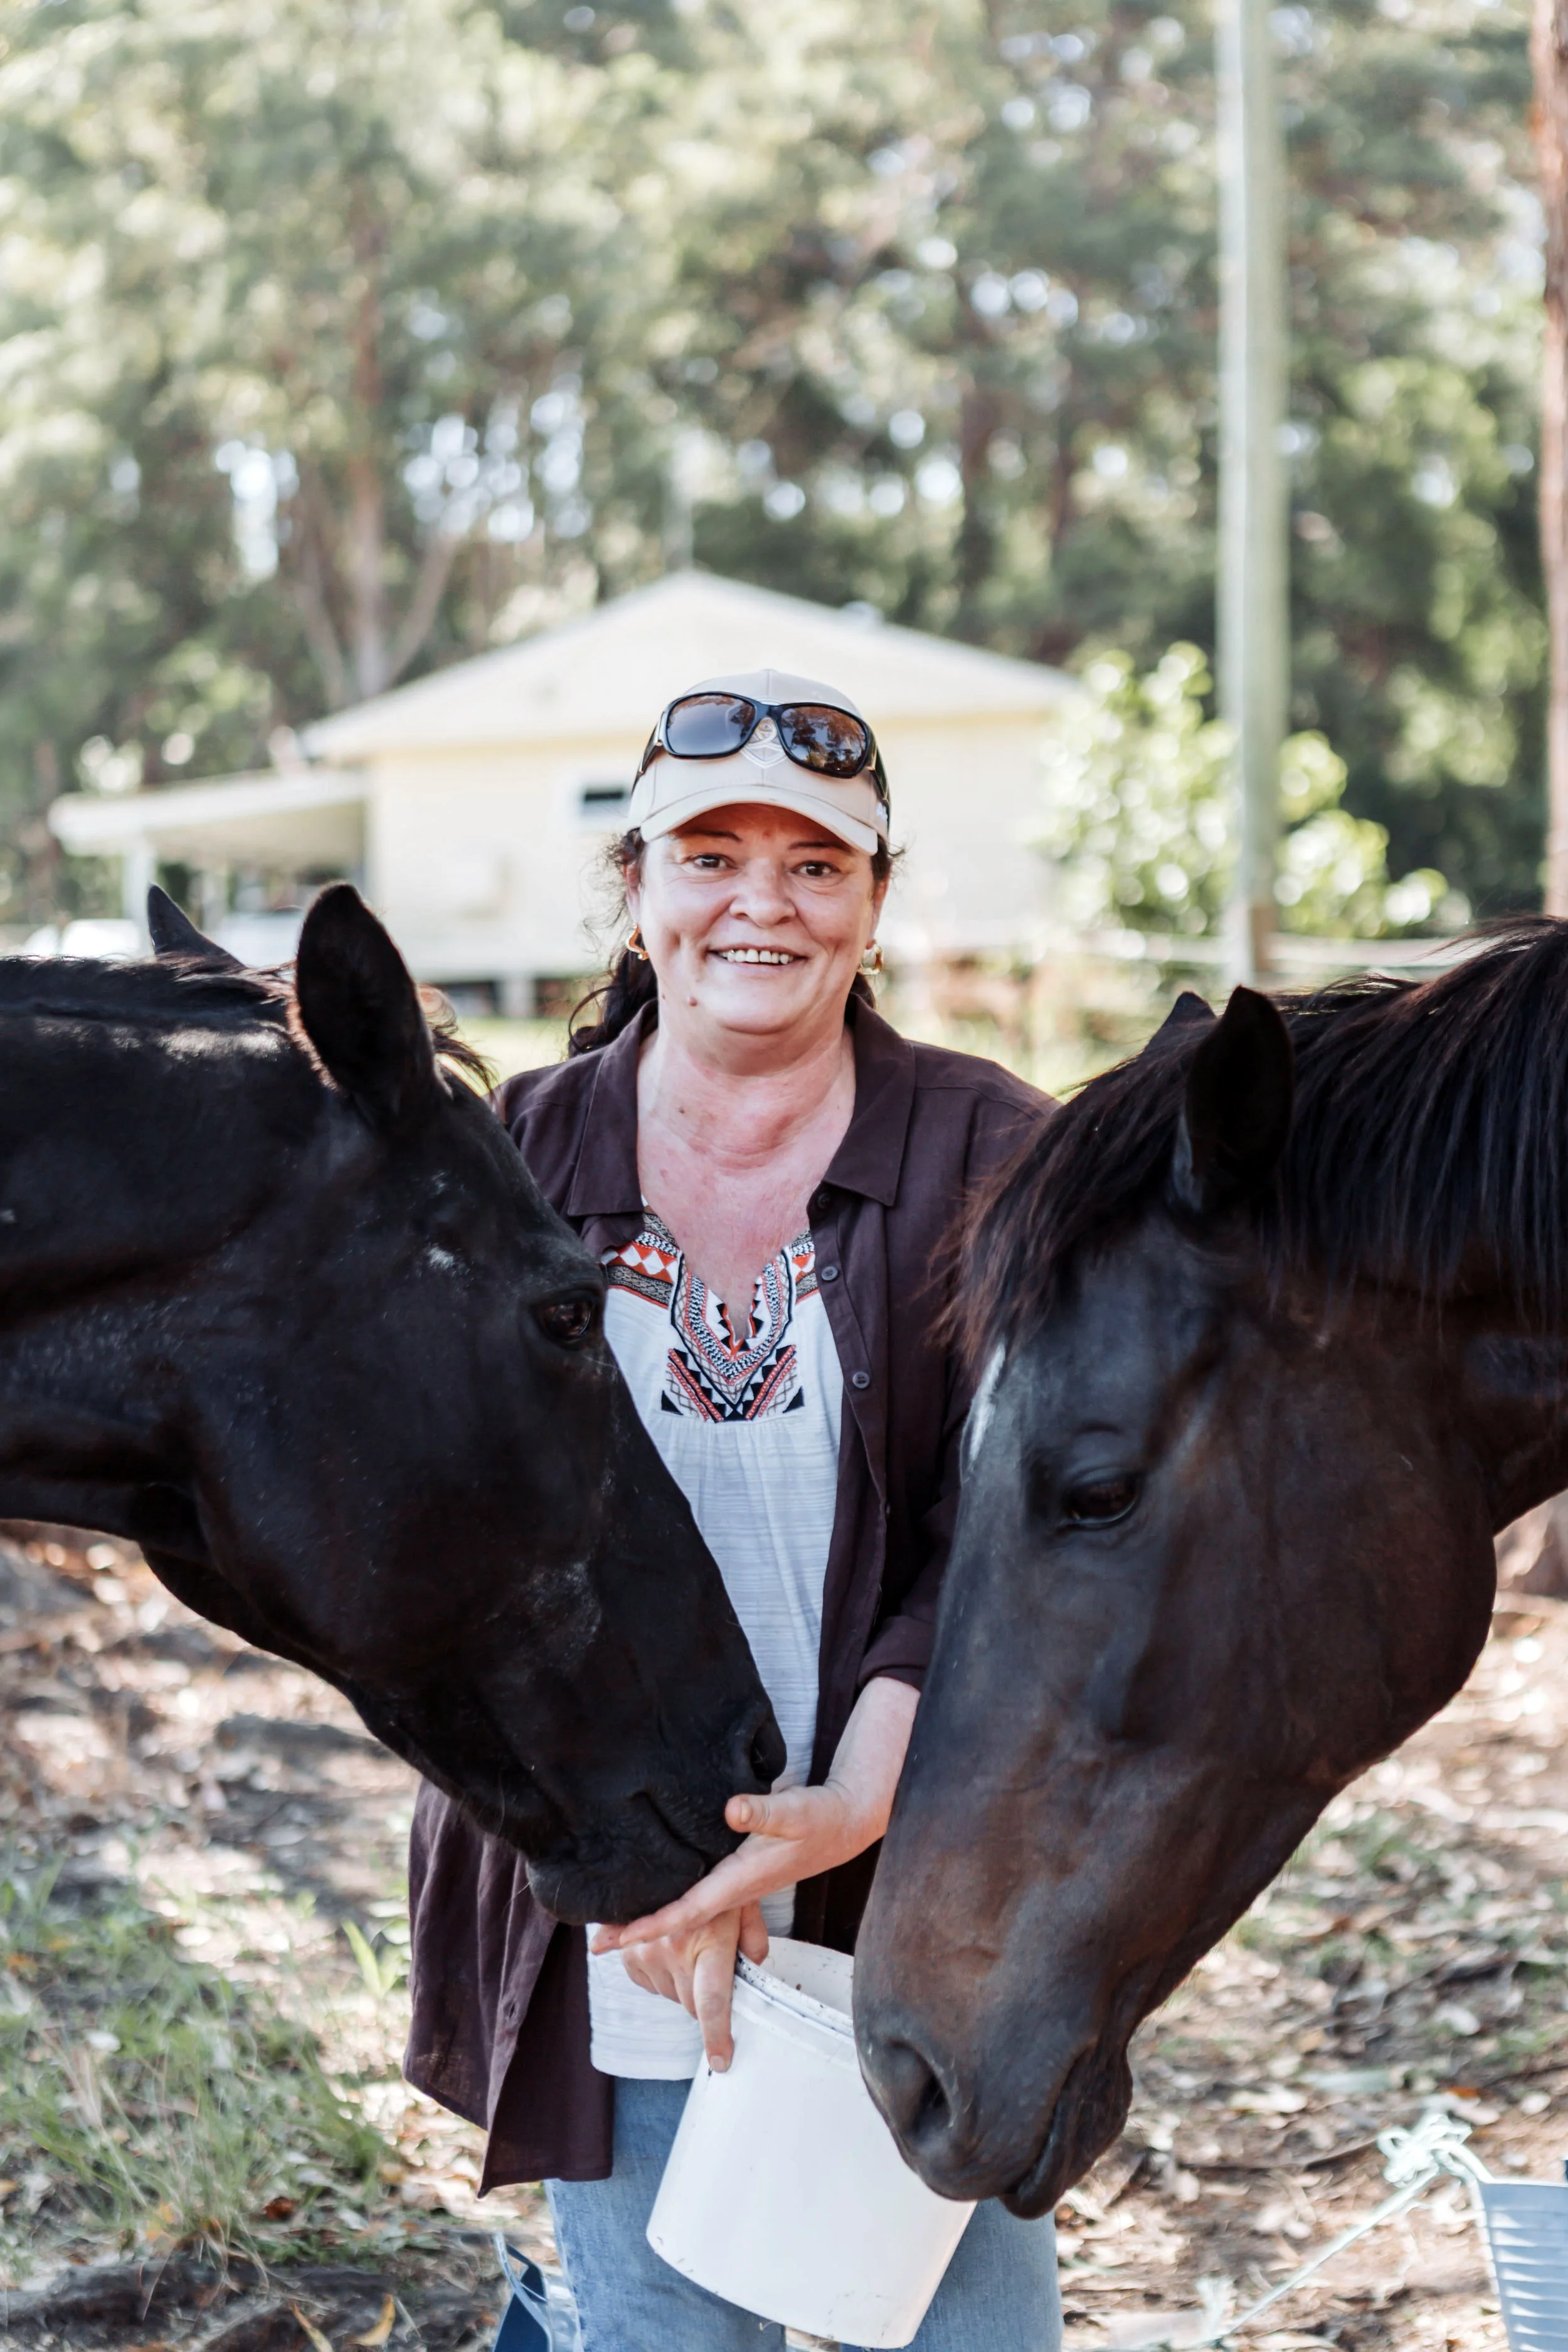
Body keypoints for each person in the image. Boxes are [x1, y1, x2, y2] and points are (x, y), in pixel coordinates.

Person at [404, 669, 1061, 2351]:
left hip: (919, 1884)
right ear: (636, 885)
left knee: (965, 2335)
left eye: (815, 862)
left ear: (874, 902)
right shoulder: (507, 1159)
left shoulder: (993, 1150)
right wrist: (658, 1855)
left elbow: (1017, 1521)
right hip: (614, 1906)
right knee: (663, 2335)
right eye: (710, 853)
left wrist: (857, 1789)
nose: (759, 901)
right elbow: (441, 1547)